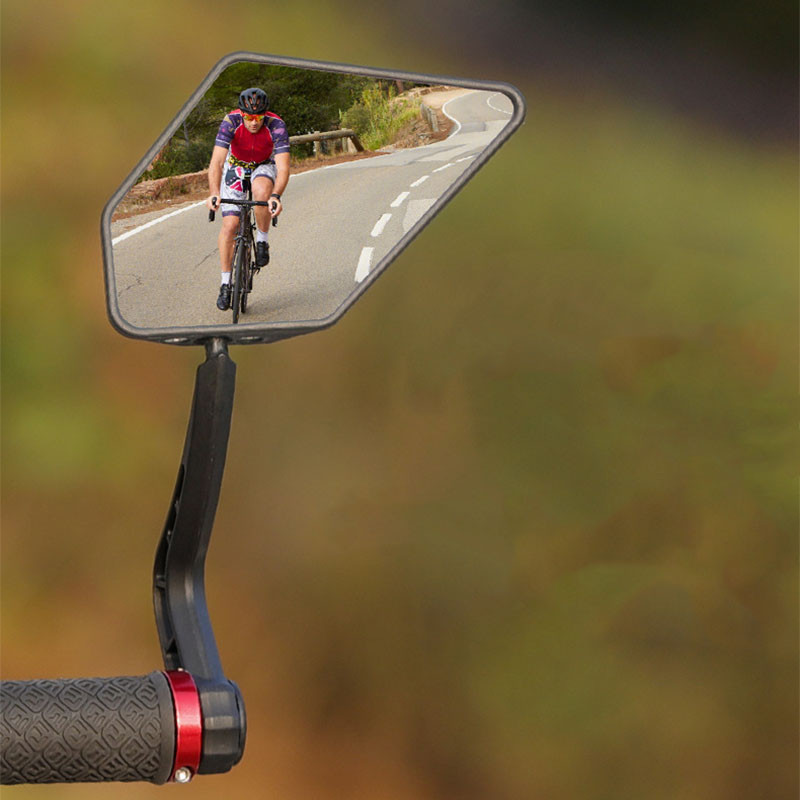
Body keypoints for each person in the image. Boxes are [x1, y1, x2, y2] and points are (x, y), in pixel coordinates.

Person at [205, 87, 290, 311]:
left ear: (265, 115)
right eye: (249, 118)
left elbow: (283, 168)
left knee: (262, 192)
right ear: (241, 114)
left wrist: (276, 196)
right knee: (230, 224)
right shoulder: (230, 122)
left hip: (264, 164)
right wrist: (214, 192)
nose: (254, 123)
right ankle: (225, 284)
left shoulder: (276, 125)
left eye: (258, 118)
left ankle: (261, 239)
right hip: (237, 166)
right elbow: (216, 162)